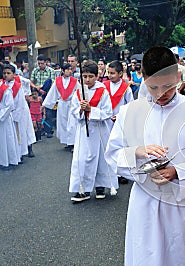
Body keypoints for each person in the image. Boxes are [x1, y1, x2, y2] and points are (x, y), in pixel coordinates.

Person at [104, 46, 185, 266]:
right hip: (145, 202)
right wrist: (137, 152)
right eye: (153, 87)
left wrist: (177, 171)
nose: (160, 94)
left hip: (183, 202)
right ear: (143, 78)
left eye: (167, 86)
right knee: (147, 256)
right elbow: (113, 155)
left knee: (183, 254)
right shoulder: (129, 112)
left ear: (178, 76)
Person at [69, 60, 117, 202]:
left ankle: (101, 186)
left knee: (101, 159)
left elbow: (108, 112)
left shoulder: (102, 91)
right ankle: (83, 189)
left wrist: (91, 110)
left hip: (99, 130)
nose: (87, 79)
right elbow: (73, 110)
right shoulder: (79, 92)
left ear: (97, 76)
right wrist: (80, 110)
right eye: (85, 76)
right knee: (82, 159)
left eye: (91, 76)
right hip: (84, 131)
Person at [103, 60, 134, 184]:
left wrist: (120, 116)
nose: (110, 76)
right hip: (105, 120)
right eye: (108, 73)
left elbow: (130, 105)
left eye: (113, 73)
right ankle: (107, 172)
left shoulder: (126, 88)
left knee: (119, 147)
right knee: (107, 146)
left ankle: (120, 172)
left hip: (119, 121)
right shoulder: (104, 86)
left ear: (120, 73)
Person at [43, 63, 81, 150]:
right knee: (63, 124)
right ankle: (67, 142)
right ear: (63, 71)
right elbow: (53, 92)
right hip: (62, 104)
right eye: (67, 69)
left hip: (72, 104)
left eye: (70, 69)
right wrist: (46, 104)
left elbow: (79, 92)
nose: (69, 71)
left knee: (72, 124)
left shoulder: (74, 81)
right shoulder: (58, 81)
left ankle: (73, 143)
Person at [30, 54, 56, 138]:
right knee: (38, 111)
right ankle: (40, 130)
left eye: (42, 63)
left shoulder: (51, 71)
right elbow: (31, 82)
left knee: (48, 113)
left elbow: (53, 83)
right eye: (39, 63)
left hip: (47, 93)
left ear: (45, 63)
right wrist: (36, 88)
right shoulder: (35, 70)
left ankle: (49, 130)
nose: (40, 65)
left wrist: (44, 89)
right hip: (37, 92)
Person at [0, 70, 19, 170]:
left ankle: (8, 161)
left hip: (4, 119)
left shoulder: (6, 90)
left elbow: (10, 105)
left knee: (6, 140)